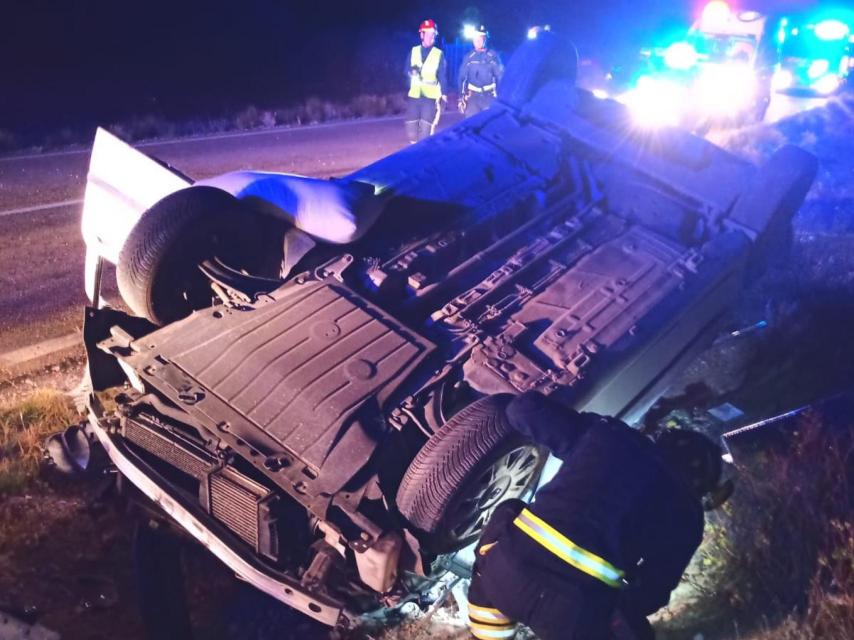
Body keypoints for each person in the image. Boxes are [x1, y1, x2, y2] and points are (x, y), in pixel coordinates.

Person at [467, 392, 727, 640]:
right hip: (572, 616)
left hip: (504, 577)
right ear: (699, 483)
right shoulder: (687, 516)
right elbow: (651, 594)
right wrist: (608, 610)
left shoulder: (611, 436)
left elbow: (521, 410)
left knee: (509, 511)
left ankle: (487, 624)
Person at [405, 19, 448, 144]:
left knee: (426, 130)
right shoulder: (413, 51)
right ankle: (414, 148)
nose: (431, 36)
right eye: (428, 33)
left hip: (430, 98)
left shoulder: (438, 54)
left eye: (433, 34)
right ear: (421, 35)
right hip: (414, 96)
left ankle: (423, 155)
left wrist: (444, 95)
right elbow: (405, 69)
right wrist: (411, 71)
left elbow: (442, 75)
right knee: (411, 130)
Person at [458, 25, 503, 116]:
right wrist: (461, 97)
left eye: (480, 38)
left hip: (489, 97)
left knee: (488, 126)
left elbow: (500, 77)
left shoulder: (493, 56)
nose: (477, 41)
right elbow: (462, 78)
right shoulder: (469, 57)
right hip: (472, 98)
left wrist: (500, 97)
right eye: (475, 38)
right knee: (471, 125)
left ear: (485, 39)